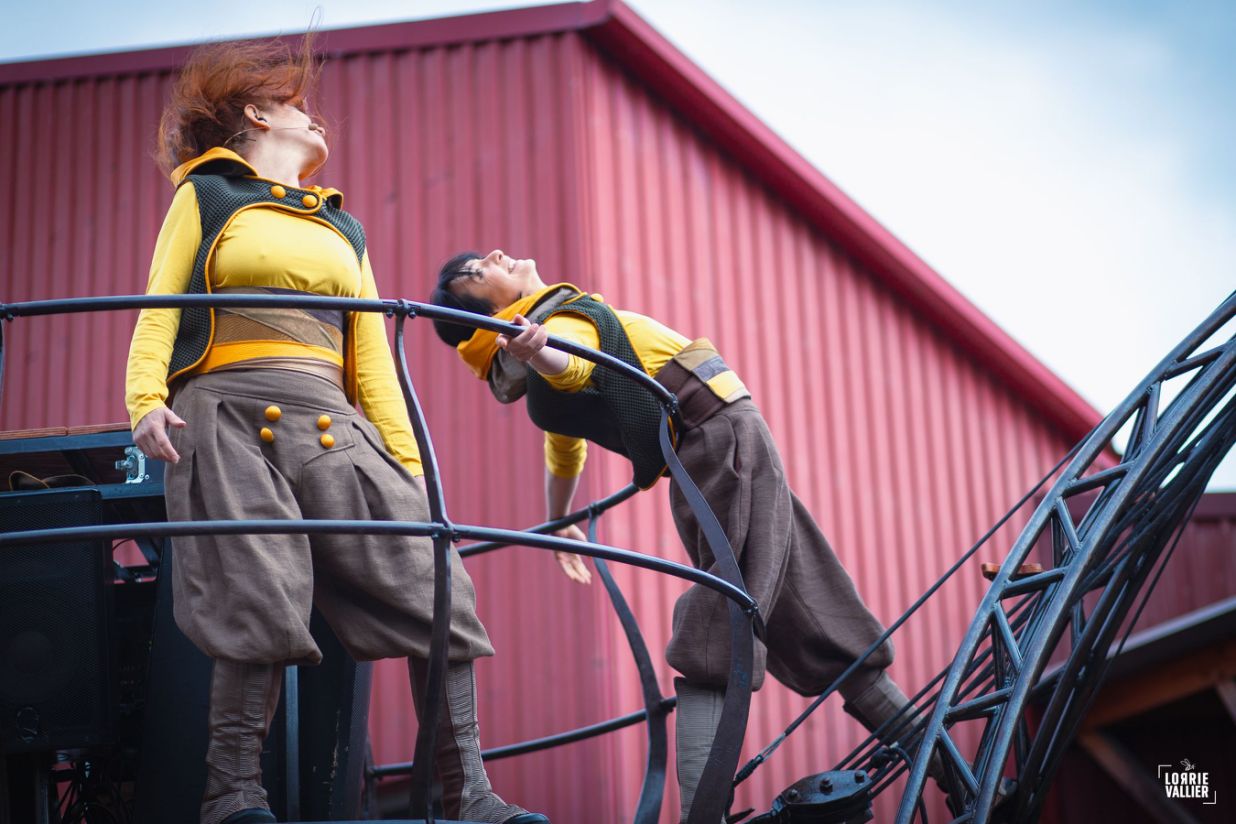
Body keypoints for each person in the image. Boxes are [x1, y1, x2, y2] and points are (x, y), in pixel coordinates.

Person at [124, 39, 546, 824]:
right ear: (257, 115)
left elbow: (370, 358)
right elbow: (161, 304)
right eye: (296, 104)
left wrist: (411, 468)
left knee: (439, 586)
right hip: (228, 417)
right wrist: (146, 398)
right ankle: (233, 796)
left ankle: (471, 797)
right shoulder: (209, 197)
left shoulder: (342, 227)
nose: (315, 117)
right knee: (260, 592)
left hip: (332, 425)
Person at [429, 251, 949, 822]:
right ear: (498, 313)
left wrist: (560, 516)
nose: (495, 256)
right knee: (720, 622)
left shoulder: (554, 333)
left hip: (720, 447)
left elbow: (563, 446)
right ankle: (702, 812)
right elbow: (573, 363)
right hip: (721, 439)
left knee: (819, 617)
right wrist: (541, 349)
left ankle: (954, 774)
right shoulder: (558, 327)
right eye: (479, 270)